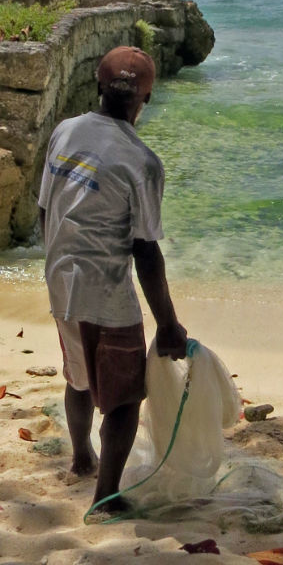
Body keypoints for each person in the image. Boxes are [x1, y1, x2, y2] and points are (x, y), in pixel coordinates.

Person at [38, 45, 188, 514]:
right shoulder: (142, 162)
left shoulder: (65, 131)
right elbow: (145, 249)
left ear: (98, 87)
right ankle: (106, 494)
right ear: (145, 97)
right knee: (123, 399)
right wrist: (168, 324)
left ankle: (82, 458)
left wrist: (58, 266)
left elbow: (45, 208)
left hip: (60, 279)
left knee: (78, 376)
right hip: (105, 292)